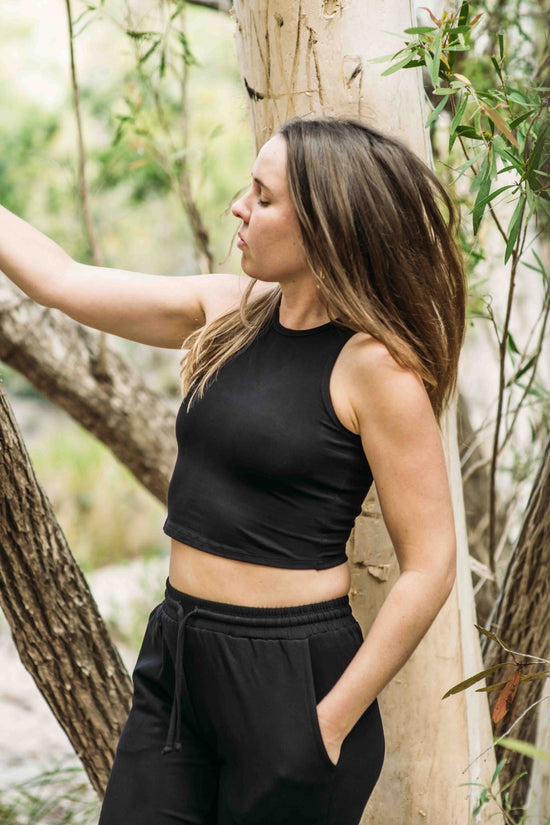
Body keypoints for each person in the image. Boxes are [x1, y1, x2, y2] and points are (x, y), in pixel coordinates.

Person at [0, 116, 465, 825]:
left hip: (294, 683)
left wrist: (330, 722)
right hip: (179, 656)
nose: (238, 208)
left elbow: (430, 564)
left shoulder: (378, 370)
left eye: (263, 196)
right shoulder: (230, 310)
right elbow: (61, 280)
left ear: (326, 224)